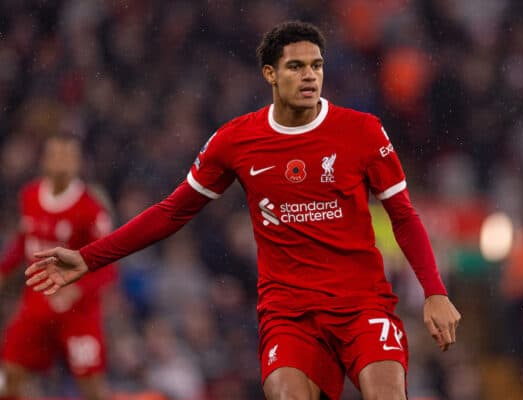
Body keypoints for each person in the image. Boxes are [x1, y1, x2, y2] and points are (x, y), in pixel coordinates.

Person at [25, 21, 461, 400]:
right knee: (285, 393)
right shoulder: (235, 141)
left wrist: (435, 291)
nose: (309, 76)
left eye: (316, 66)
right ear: (270, 73)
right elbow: (172, 212)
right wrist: (88, 256)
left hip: (361, 304)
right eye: (296, 66)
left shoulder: (362, 131)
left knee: (386, 392)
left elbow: (402, 214)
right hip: (289, 313)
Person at [0, 133, 117, 400]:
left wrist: (78, 289)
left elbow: (108, 267)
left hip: (78, 313)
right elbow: (23, 240)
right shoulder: (29, 196)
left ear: (78, 162)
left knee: (93, 390)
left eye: (68, 155)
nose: (61, 161)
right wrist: (5, 270)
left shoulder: (91, 209)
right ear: (44, 160)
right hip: (37, 304)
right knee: (10, 377)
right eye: (56, 155)